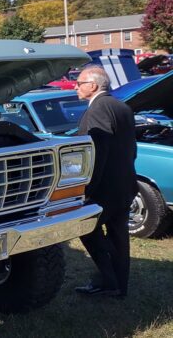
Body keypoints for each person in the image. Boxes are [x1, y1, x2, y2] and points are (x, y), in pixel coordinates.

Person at [74, 66, 138, 298]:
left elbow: (98, 151)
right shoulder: (122, 107)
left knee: (86, 228)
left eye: (79, 83)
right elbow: (132, 148)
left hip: (104, 189)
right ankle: (120, 285)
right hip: (125, 183)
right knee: (119, 235)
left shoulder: (99, 108)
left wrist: (88, 189)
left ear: (93, 86)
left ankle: (109, 280)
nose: (75, 87)